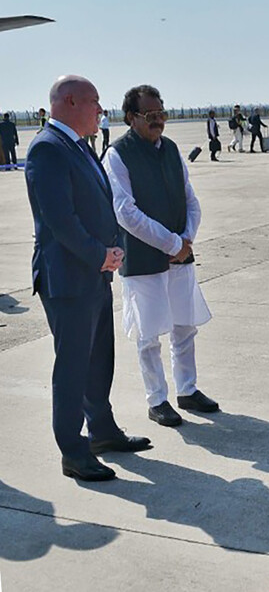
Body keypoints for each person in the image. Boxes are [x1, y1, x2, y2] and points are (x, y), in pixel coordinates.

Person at [24, 75, 152, 482]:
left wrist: (111, 250)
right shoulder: (47, 149)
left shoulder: (77, 146)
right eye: (95, 102)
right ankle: (73, 451)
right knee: (73, 366)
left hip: (94, 274)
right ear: (71, 101)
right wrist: (101, 255)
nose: (102, 109)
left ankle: (102, 431)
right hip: (69, 279)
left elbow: (99, 205)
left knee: (98, 360)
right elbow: (60, 220)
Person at [104, 84, 218, 428]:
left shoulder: (170, 149)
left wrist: (186, 239)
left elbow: (190, 199)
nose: (158, 122)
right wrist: (171, 244)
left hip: (180, 255)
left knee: (185, 327)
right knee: (148, 334)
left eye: (161, 114)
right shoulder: (117, 154)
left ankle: (187, 390)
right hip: (143, 259)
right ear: (131, 118)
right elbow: (125, 212)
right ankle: (157, 399)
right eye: (151, 116)